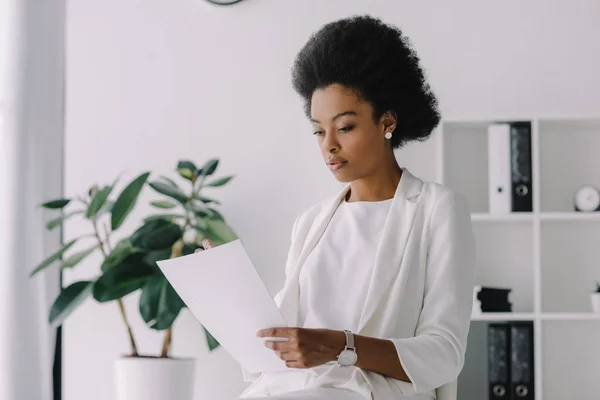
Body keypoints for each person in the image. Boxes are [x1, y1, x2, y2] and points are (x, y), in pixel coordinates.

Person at [200, 14, 476, 400]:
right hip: (286, 390)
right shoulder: (311, 223)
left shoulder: (437, 210)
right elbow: (278, 345)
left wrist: (341, 346)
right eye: (318, 130)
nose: (328, 144)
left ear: (387, 122)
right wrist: (229, 289)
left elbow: (444, 353)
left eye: (345, 127)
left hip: (367, 392)